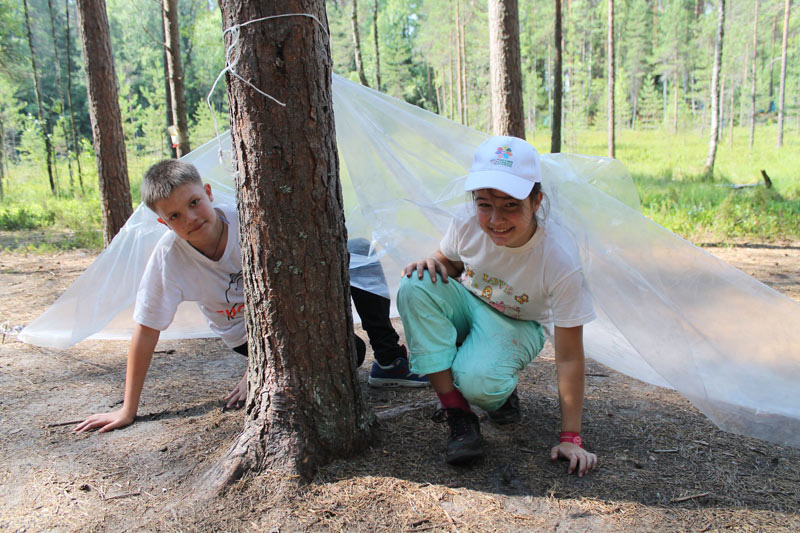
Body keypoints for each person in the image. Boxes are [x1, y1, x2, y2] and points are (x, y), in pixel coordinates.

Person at [74, 160, 425, 434]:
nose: (191, 218)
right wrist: (127, 408)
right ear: (165, 224)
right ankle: (267, 362)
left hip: (288, 315)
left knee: (358, 249)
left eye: (194, 203)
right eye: (176, 216)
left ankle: (391, 359)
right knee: (351, 352)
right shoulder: (169, 260)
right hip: (245, 337)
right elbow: (146, 330)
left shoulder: (250, 219)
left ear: (208, 193)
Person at [397, 136, 598, 476]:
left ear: (536, 202)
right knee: (414, 285)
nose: (495, 219)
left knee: (479, 381)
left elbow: (568, 356)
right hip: (469, 303)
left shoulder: (559, 261)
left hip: (519, 323)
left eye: (510, 205)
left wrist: (571, 437)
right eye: (484, 204)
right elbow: (449, 262)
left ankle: (499, 395)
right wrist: (431, 262)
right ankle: (458, 413)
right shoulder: (465, 224)